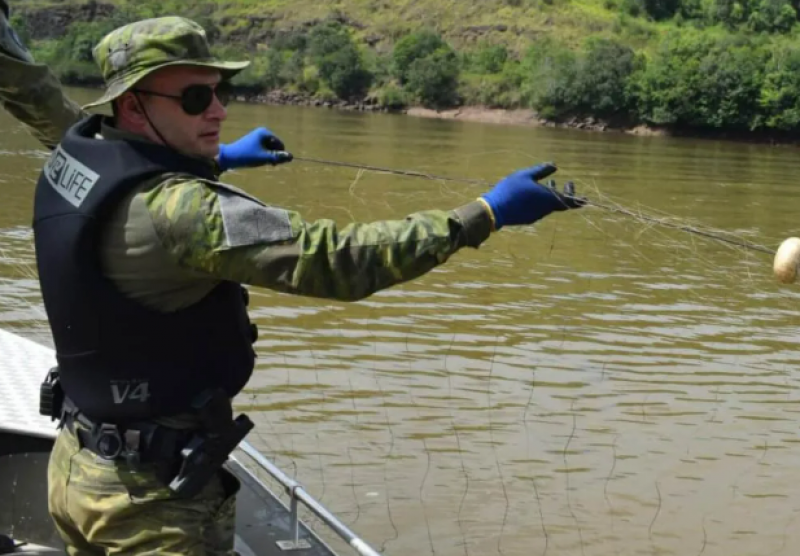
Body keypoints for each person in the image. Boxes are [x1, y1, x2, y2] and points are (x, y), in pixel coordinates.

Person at [0, 6, 586, 556]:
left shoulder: (79, 148)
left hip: (77, 470)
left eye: (220, 93)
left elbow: (37, 96)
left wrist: (220, 156)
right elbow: (334, 259)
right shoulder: (187, 212)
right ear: (131, 105)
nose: (219, 110)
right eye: (197, 97)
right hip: (151, 504)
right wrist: (484, 213)